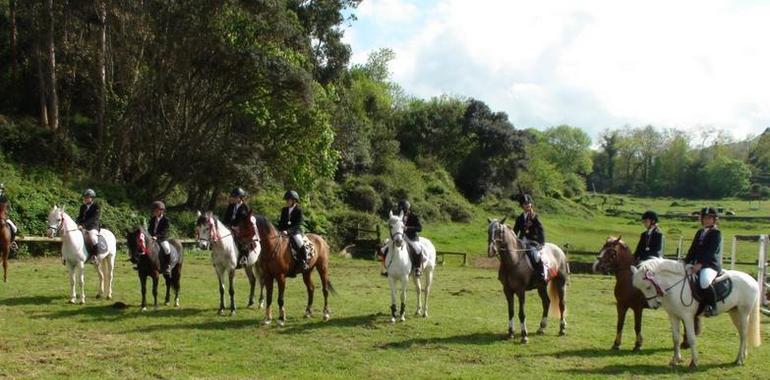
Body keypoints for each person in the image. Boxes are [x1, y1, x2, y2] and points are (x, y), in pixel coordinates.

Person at [684, 207, 722, 317]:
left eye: (709, 218)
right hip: (696, 263)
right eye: (704, 218)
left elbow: (711, 252)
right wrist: (685, 261)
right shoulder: (700, 232)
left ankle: (712, 306)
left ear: (714, 220)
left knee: (704, 282)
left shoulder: (716, 233)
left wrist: (700, 264)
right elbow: (693, 249)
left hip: (710, 265)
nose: (706, 220)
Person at [512, 194, 547, 283]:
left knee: (535, 255)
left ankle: (541, 274)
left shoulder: (534, 216)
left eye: (529, 203)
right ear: (522, 206)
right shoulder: (519, 218)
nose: (527, 205)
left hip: (532, 242)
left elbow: (541, 229)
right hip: (521, 242)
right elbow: (515, 231)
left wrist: (542, 243)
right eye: (525, 203)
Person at [278, 190, 309, 273]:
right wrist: (280, 230)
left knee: (299, 241)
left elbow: (298, 224)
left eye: (288, 200)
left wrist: (287, 232)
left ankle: (304, 261)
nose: (287, 201)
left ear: (294, 200)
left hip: (295, 231)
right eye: (286, 200)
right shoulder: (284, 210)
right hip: (284, 231)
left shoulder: (299, 210)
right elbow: (281, 222)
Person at [222, 187, 251, 267]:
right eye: (233, 197)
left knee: (243, 240)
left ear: (240, 197)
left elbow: (245, 220)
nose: (233, 198)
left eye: (235, 197)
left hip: (241, 229)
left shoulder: (245, 207)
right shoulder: (231, 206)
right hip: (230, 227)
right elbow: (226, 218)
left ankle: (244, 257)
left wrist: (237, 227)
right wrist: (228, 226)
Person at [148, 201, 173, 276]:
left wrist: (156, 236)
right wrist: (150, 235)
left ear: (161, 211)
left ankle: (167, 265)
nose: (154, 212)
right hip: (152, 237)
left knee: (166, 248)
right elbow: (150, 229)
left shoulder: (166, 219)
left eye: (156, 210)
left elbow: (164, 231)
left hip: (162, 238)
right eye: (154, 210)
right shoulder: (152, 219)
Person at [76, 188, 101, 263]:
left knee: (93, 238)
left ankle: (94, 255)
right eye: (84, 197)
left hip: (93, 226)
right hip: (82, 226)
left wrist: (83, 225)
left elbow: (93, 219)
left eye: (87, 197)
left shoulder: (96, 206)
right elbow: (80, 217)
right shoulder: (82, 207)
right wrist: (76, 223)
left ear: (92, 198)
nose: (85, 199)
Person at [0, 183, 18, 252]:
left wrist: (8, 212)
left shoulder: (4, 198)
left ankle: (12, 242)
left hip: (4, 217)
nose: (0, 191)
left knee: (14, 228)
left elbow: (8, 208)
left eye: (1, 189)